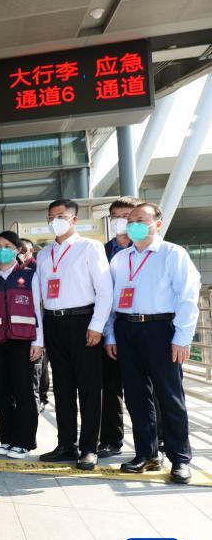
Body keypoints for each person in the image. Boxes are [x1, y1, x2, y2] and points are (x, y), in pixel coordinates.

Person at [106, 202, 200, 484]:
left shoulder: (172, 253)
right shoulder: (120, 259)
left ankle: (180, 458)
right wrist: (111, 334)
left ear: (157, 224)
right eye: (131, 220)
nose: (134, 224)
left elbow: (187, 297)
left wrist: (182, 337)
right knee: (136, 397)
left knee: (170, 397)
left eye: (141, 219)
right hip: (127, 329)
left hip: (161, 329)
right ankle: (146, 454)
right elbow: (111, 300)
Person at [36, 198, 112, 470]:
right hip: (53, 322)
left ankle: (89, 448)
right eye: (50, 217)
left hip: (83, 322)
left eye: (60, 215)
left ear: (74, 219)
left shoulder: (90, 247)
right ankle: (66, 444)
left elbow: (105, 290)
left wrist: (97, 325)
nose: (54, 221)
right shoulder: (44, 254)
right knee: (63, 388)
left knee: (89, 388)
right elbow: (39, 296)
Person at [0, 231, 44, 459]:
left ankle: (24, 442)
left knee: (24, 391)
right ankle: (7, 439)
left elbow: (38, 310)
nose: (2, 250)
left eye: (7, 246)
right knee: (3, 391)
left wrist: (39, 341)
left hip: (23, 341)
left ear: (18, 250)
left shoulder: (29, 276)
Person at [98, 196, 142, 458]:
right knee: (110, 388)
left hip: (143, 327)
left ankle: (154, 441)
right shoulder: (101, 251)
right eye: (115, 216)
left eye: (126, 216)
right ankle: (111, 439)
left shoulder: (150, 250)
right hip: (110, 328)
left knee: (144, 389)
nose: (120, 221)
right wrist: (107, 333)